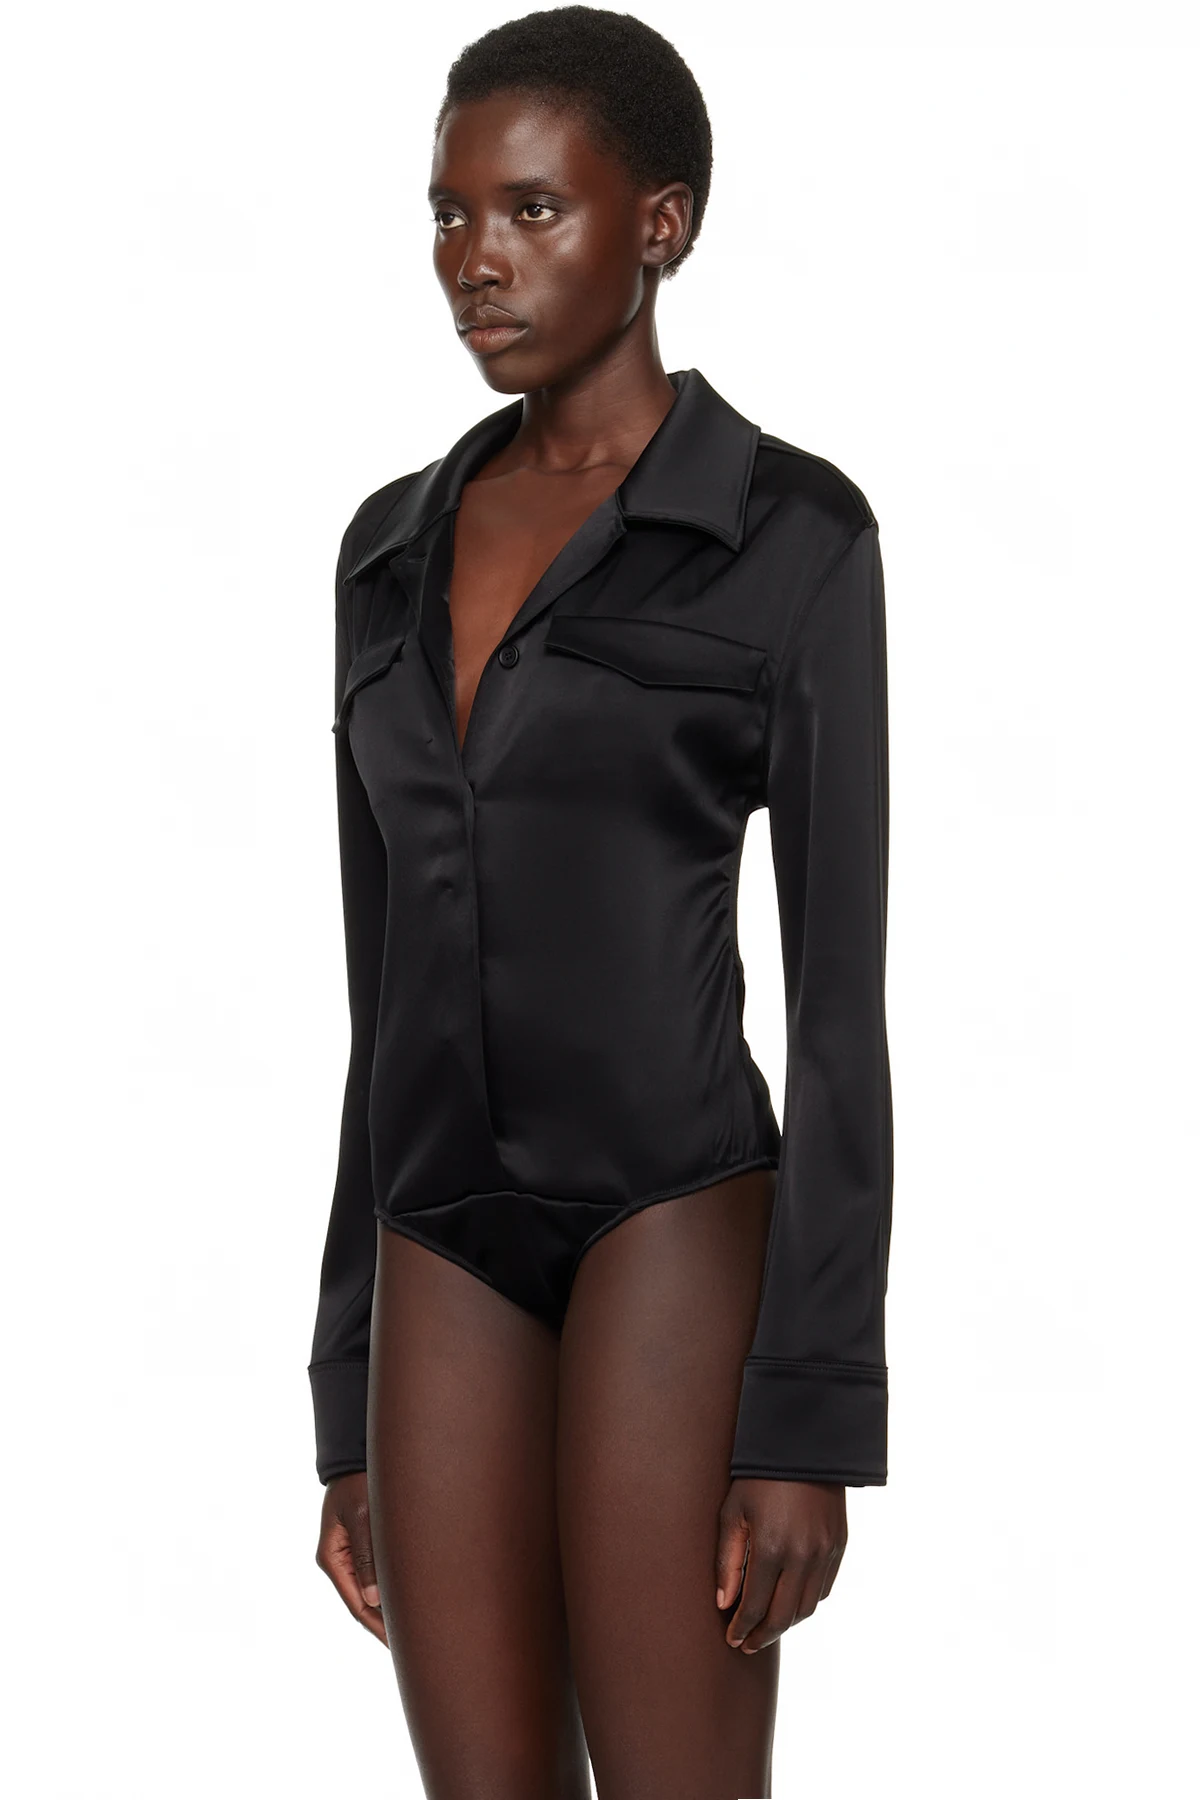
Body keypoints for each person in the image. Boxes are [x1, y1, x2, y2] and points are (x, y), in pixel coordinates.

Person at [308, 9, 893, 1796]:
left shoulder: (790, 536)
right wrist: (346, 1397)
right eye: (450, 214)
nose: (476, 260)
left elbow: (840, 1008)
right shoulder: (383, 553)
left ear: (663, 222)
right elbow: (376, 995)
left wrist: (806, 1416)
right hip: (435, 1241)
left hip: (674, 1216)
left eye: (534, 211)